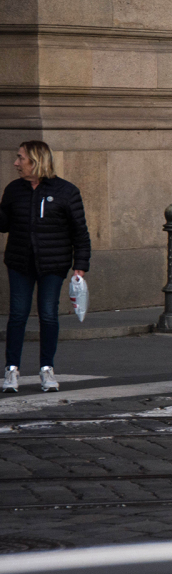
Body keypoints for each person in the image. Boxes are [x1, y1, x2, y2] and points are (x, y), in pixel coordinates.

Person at [0, 141, 91, 392]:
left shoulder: (65, 191)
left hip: (53, 263)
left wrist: (80, 266)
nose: (16, 163)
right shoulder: (14, 190)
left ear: (36, 161)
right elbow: (4, 224)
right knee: (18, 314)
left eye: (21, 159)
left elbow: (80, 233)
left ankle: (46, 369)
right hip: (20, 262)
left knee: (48, 314)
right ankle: (11, 370)